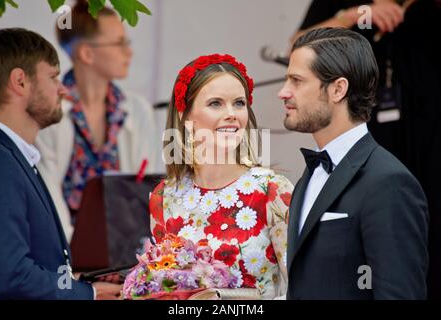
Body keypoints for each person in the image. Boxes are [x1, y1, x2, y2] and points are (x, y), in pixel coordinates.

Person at [290, 0, 441, 298]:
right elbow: (298, 46)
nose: (287, 91)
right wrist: (356, 15)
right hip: (372, 133)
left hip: (431, 133)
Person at [148, 53, 293, 299]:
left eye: (239, 103)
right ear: (185, 115)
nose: (232, 114)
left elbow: (299, 292)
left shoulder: (273, 190)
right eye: (216, 103)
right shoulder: (164, 196)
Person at [0, 28, 121, 299]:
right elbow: (10, 274)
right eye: (53, 77)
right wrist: (87, 294)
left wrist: (80, 281)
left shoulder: (10, 153)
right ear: (20, 82)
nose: (62, 89)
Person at [36, 0, 163, 242]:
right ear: (86, 53)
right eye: (119, 43)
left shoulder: (136, 110)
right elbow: (47, 196)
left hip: (128, 251)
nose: (129, 51)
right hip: (65, 254)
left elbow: (147, 191)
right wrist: (75, 258)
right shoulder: (50, 112)